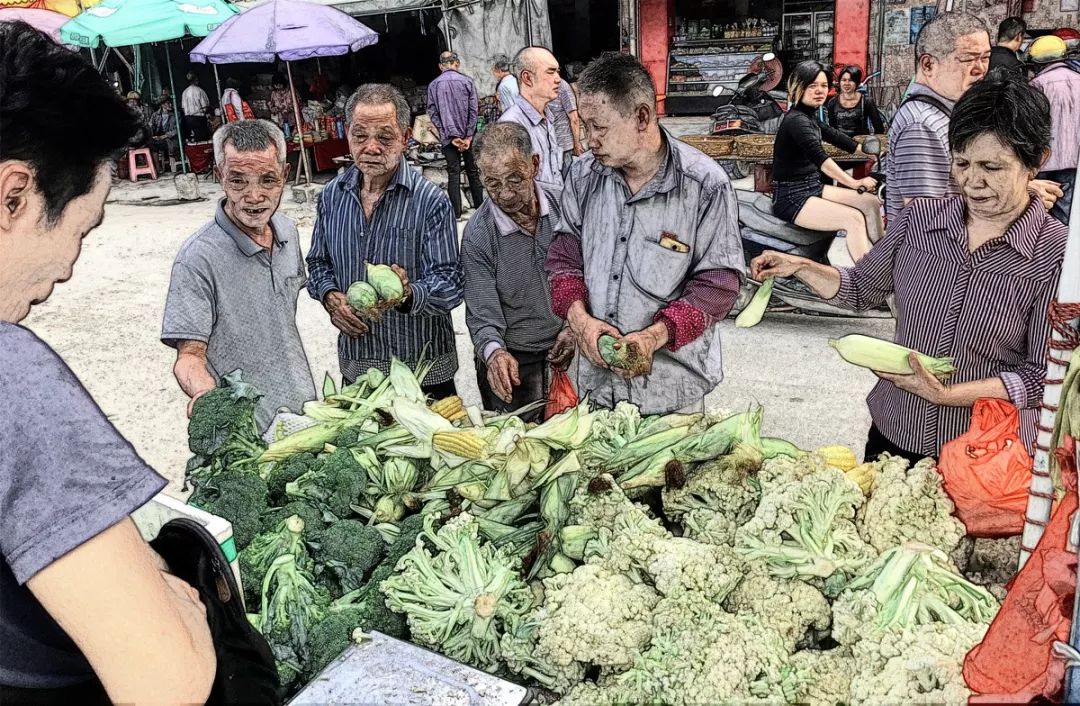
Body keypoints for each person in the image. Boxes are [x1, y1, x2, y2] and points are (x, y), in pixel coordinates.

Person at [0, 21, 215, 703]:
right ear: (13, 196)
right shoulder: (11, 380)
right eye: (80, 230)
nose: (67, 268)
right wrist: (174, 601)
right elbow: (168, 681)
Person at [752, 75, 1067, 462]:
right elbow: (858, 288)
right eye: (962, 163)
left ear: (1037, 161)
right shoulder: (919, 221)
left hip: (983, 455)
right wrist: (798, 266)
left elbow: (1042, 375)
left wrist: (946, 395)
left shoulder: (1055, 255)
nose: (973, 181)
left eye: (992, 167)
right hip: (894, 433)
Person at [544, 53, 745, 414]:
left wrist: (654, 337)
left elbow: (719, 285)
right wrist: (580, 322)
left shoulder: (705, 186)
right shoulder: (582, 175)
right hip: (594, 390)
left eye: (598, 127)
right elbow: (564, 258)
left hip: (670, 393)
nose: (588, 140)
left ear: (642, 117)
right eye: (583, 127)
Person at [307, 84, 463, 395]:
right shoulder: (332, 197)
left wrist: (407, 294)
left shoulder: (430, 201)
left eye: (385, 137)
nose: (371, 147)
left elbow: (451, 284)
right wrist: (329, 297)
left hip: (423, 370)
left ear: (405, 138)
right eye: (360, 135)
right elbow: (318, 262)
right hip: (359, 366)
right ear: (348, 134)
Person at [162, 119, 317, 431]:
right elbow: (189, 356)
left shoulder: (287, 231)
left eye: (267, 180)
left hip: (302, 412)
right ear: (220, 177)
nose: (254, 195)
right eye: (238, 181)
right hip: (244, 430)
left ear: (285, 176)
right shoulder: (197, 259)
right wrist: (204, 394)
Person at [886, 12, 1061, 224]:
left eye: (985, 58)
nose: (980, 70)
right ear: (928, 65)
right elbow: (922, 218)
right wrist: (1018, 196)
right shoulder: (921, 124)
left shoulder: (946, 113)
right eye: (968, 59)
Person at [462, 122, 576, 418]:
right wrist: (494, 353)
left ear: (534, 165)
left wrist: (574, 327)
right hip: (515, 357)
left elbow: (594, 276)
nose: (505, 195)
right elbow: (482, 314)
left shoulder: (566, 206)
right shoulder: (478, 232)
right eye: (493, 184)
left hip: (571, 344)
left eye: (514, 180)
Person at [771, 61, 883, 262]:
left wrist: (868, 152)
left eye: (824, 86)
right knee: (853, 219)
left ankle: (884, 258)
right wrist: (854, 183)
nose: (819, 91)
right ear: (799, 86)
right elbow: (821, 159)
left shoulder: (810, 117)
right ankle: (868, 281)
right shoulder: (797, 120)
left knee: (871, 202)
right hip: (791, 197)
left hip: (811, 187)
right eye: (813, 86)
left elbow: (834, 136)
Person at [426, 51, 484, 220]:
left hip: (447, 138)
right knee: (473, 171)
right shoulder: (467, 82)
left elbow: (433, 112)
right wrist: (468, 137)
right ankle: (480, 210)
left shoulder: (434, 85)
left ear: (440, 66)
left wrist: (449, 135)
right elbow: (474, 111)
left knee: (454, 173)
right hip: (468, 137)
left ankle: (456, 214)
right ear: (456, 63)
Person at [1030, 34, 1080, 224]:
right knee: (1068, 215)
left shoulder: (1037, 84)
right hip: (1075, 161)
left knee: (1041, 213)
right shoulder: (1078, 79)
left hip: (1045, 162)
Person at [499, 47, 564, 190]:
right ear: (527, 78)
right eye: (550, 72)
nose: (558, 79)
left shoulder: (547, 117)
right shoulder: (511, 126)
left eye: (557, 72)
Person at [824, 65, 886, 138]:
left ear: (857, 83)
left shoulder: (866, 101)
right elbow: (832, 128)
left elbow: (879, 128)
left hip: (861, 144)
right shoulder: (833, 102)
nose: (847, 83)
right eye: (844, 80)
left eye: (850, 80)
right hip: (841, 144)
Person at [549, 78, 584, 174]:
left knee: (569, 178)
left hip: (564, 146)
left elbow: (574, 118)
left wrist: (576, 144)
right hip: (552, 146)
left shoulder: (562, 87)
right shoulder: (543, 87)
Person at [148, 96, 179, 172]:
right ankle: (158, 168)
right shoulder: (156, 115)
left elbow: (176, 130)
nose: (170, 105)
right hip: (159, 138)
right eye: (168, 103)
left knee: (159, 144)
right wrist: (152, 135)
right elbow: (150, 125)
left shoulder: (175, 114)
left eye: (170, 103)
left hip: (171, 139)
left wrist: (163, 136)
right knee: (151, 144)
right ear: (162, 105)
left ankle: (164, 167)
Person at [181, 71, 211, 141]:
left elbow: (183, 108)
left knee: (192, 139)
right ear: (196, 80)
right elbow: (205, 107)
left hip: (188, 119)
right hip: (199, 119)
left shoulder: (184, 92)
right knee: (202, 139)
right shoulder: (200, 91)